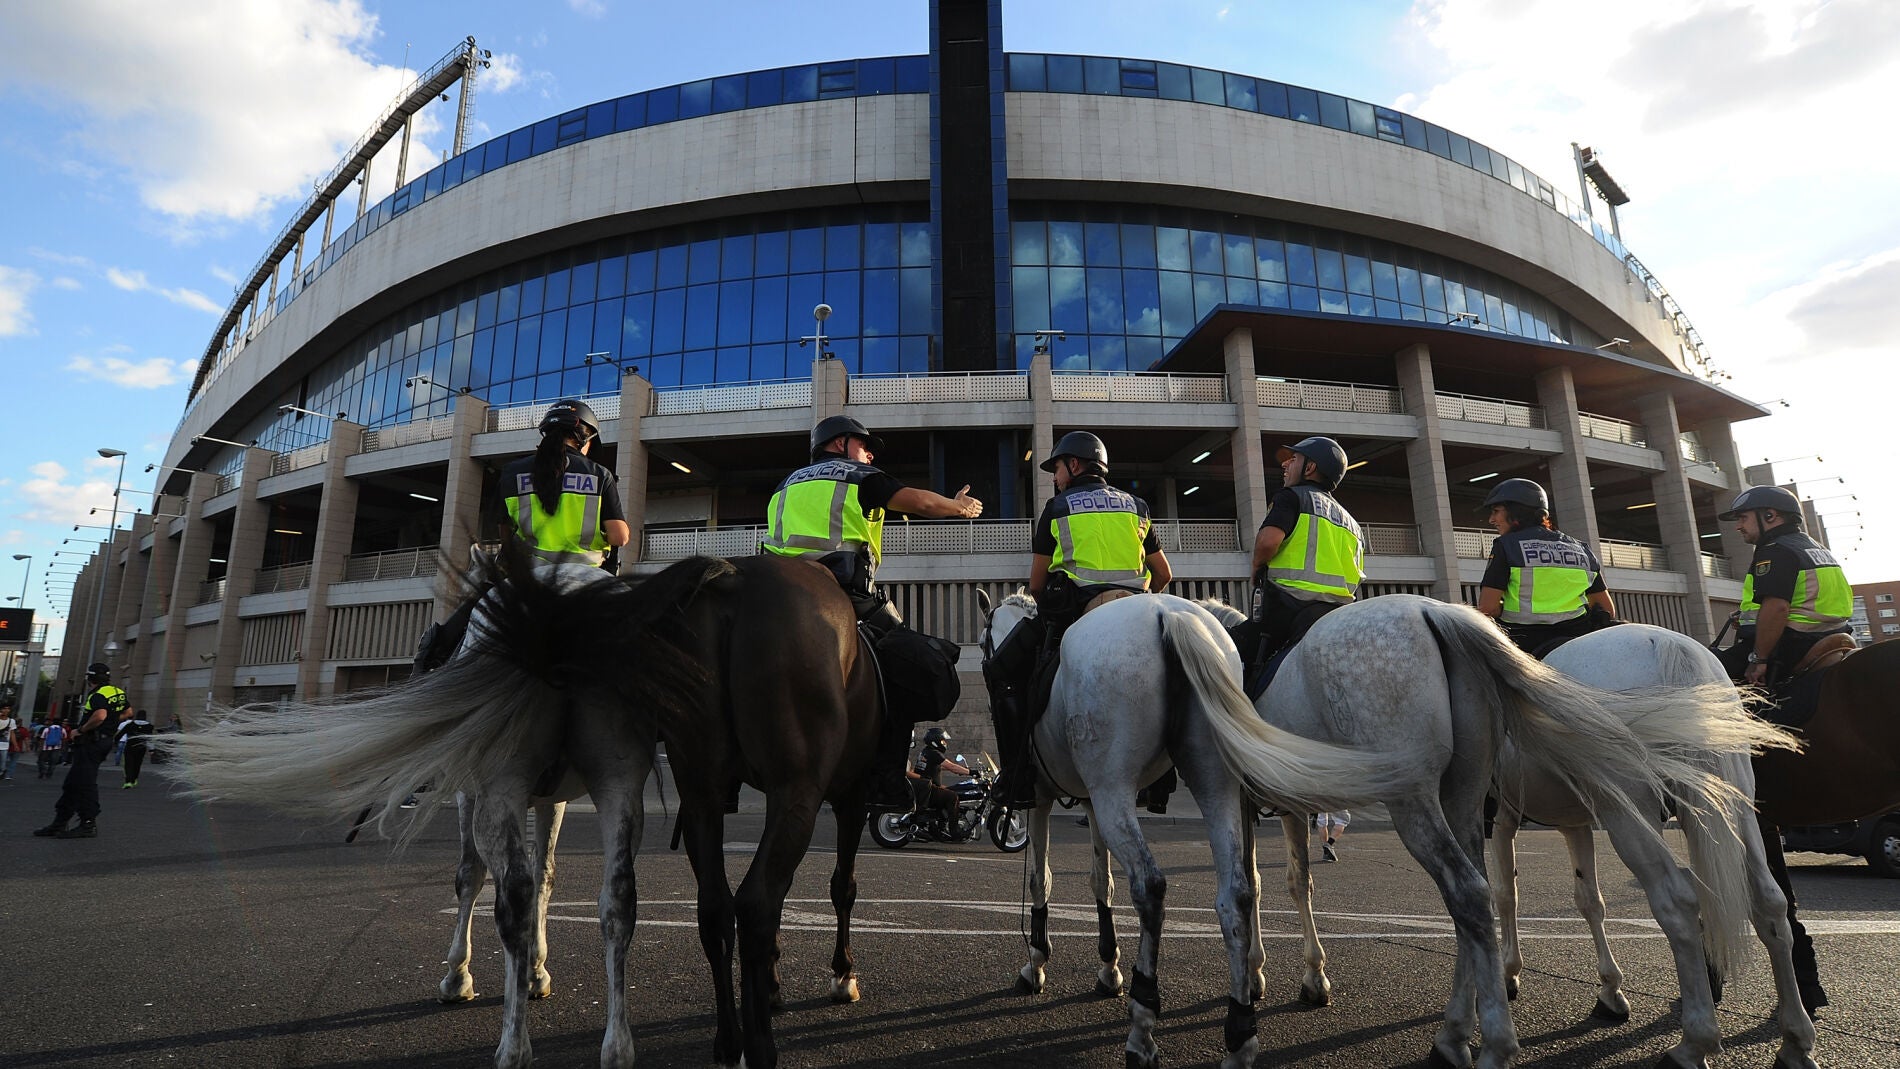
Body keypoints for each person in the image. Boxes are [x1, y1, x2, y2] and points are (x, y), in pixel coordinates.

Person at [763, 414, 983, 812]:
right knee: (910, 664)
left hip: (773, 592)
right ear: (839, 444)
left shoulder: (785, 484)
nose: (868, 454)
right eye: (864, 445)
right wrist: (955, 505)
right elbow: (916, 500)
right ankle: (887, 777)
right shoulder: (856, 476)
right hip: (844, 592)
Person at [988, 430, 1171, 810]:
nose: (1054, 478)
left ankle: (1018, 778)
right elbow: (1164, 574)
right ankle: (1162, 777)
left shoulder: (1058, 507)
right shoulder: (1136, 505)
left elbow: (1035, 587)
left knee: (1001, 671)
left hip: (1077, 612)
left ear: (1074, 464)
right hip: (1138, 607)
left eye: (1056, 468)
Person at [1242, 436, 1364, 694]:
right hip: (1339, 614)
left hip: (1289, 608)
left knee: (1228, 649)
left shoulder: (1292, 497)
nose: (1285, 464)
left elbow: (1267, 543)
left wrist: (1256, 566)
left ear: (1309, 468)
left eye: (1294, 459)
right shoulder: (1352, 521)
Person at [1714, 485, 1853, 686]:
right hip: (1834, 636)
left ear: (1770, 515)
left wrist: (1759, 659)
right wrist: (1746, 620)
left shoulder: (1776, 550)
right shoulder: (1815, 547)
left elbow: (1777, 607)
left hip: (1793, 644)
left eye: (1743, 517)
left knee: (1704, 676)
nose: (1738, 526)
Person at [1474, 478, 1616, 656]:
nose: (1491, 519)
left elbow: (1488, 609)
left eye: (1496, 511)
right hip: (1579, 639)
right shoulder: (1582, 549)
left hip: (1524, 647)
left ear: (1516, 511)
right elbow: (1607, 610)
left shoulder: (1506, 546)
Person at [33, 662, 129, 839]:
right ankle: (60, 822)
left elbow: (100, 716)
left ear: (90, 678)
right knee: (73, 783)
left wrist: (81, 729)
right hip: (103, 741)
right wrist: (112, 723)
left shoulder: (97, 694)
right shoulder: (117, 692)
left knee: (84, 782)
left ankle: (88, 823)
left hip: (91, 742)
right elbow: (128, 712)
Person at [911, 727, 971, 840]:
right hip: (929, 789)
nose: (945, 743)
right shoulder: (934, 753)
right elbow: (951, 766)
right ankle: (955, 831)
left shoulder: (926, 751)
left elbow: (937, 767)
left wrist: (960, 770)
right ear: (936, 741)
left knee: (949, 791)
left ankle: (938, 828)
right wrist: (971, 772)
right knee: (952, 796)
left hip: (927, 788)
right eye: (943, 741)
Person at [119, 708, 155, 788]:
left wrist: (115, 741)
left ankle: (128, 781)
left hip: (130, 746)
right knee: (137, 763)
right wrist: (151, 749)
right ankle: (134, 778)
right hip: (141, 747)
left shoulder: (130, 725)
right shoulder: (149, 726)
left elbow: (120, 734)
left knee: (128, 764)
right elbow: (150, 739)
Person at [0, 702, 18, 782]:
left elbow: (12, 734)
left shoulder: (11, 721)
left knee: (3, 762)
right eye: (4, 708)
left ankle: (2, 771)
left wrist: (15, 745)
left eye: (8, 708)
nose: (6, 710)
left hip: (4, 745)